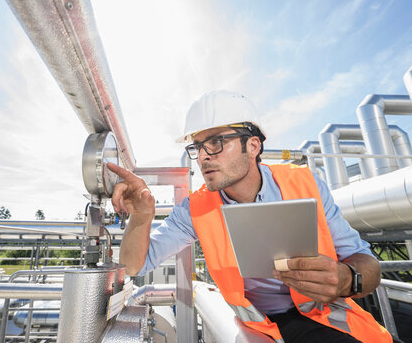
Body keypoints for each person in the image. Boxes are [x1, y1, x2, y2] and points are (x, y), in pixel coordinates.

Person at [107, 90, 396, 343]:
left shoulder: (305, 184)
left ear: (253, 146)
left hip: (329, 317)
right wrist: (142, 217)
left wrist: (347, 279)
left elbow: (367, 265)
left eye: (217, 142)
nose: (205, 156)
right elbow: (135, 266)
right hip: (263, 326)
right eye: (198, 146)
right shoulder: (195, 209)